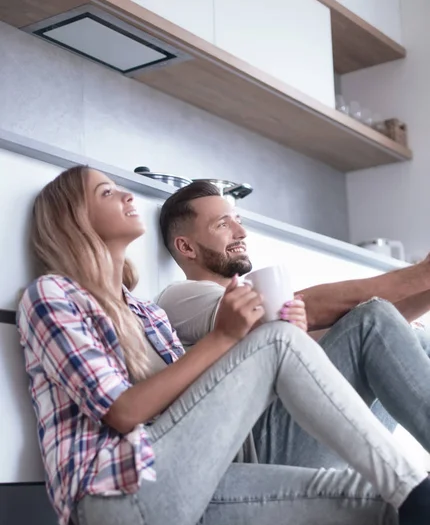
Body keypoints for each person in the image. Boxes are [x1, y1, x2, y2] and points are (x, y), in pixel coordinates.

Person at [17, 167, 430, 525]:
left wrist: (263, 342)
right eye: (107, 192)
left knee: (381, 502)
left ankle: (412, 492)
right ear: (75, 221)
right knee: (284, 340)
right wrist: (228, 337)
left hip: (194, 484)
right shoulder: (52, 295)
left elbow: (193, 403)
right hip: (120, 497)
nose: (126, 193)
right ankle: (412, 485)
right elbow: (122, 412)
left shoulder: (145, 312)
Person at [156, 181, 430, 469]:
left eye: (239, 221)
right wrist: (419, 275)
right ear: (186, 246)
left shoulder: (261, 311)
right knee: (372, 317)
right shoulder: (182, 296)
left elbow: (359, 333)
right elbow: (301, 310)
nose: (241, 233)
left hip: (298, 432)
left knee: (415, 338)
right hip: (264, 449)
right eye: (223, 225)